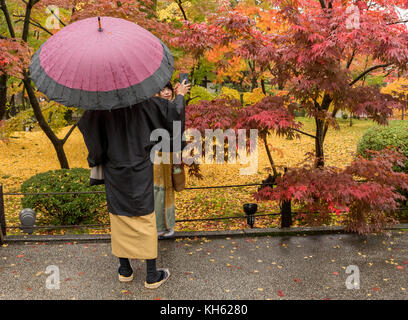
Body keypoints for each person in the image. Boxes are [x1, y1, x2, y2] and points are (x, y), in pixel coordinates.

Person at [78, 81, 190, 289]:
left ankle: (125, 270)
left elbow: (87, 126)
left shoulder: (102, 105)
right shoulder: (145, 103)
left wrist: (99, 156)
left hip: (115, 170)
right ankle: (151, 275)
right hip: (139, 168)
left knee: (119, 216)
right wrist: (180, 95)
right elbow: (172, 115)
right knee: (144, 216)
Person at [153, 81, 186, 239]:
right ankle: (160, 226)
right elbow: (175, 117)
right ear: (157, 93)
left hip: (169, 153)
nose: (167, 92)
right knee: (160, 189)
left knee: (169, 188)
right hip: (159, 154)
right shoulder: (158, 106)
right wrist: (180, 95)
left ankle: (168, 224)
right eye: (162, 90)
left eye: (168, 89)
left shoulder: (167, 105)